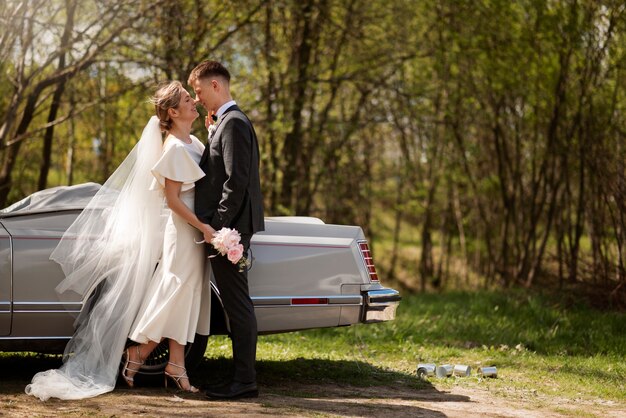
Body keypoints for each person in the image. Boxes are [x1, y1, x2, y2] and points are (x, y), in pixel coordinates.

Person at [25, 81, 212, 400]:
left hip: (195, 231)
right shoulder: (174, 148)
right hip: (183, 231)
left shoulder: (193, 141)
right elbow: (173, 200)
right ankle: (140, 352)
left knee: (187, 296)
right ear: (173, 111)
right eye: (186, 99)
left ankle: (176, 365)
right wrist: (204, 227)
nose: (194, 101)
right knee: (175, 294)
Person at [189, 60, 264, 400]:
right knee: (236, 304)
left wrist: (218, 228)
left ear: (215, 85)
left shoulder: (233, 123)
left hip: (228, 230)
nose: (198, 97)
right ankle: (241, 378)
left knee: (237, 304)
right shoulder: (225, 123)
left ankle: (245, 381)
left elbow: (236, 183)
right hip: (226, 227)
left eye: (199, 91)